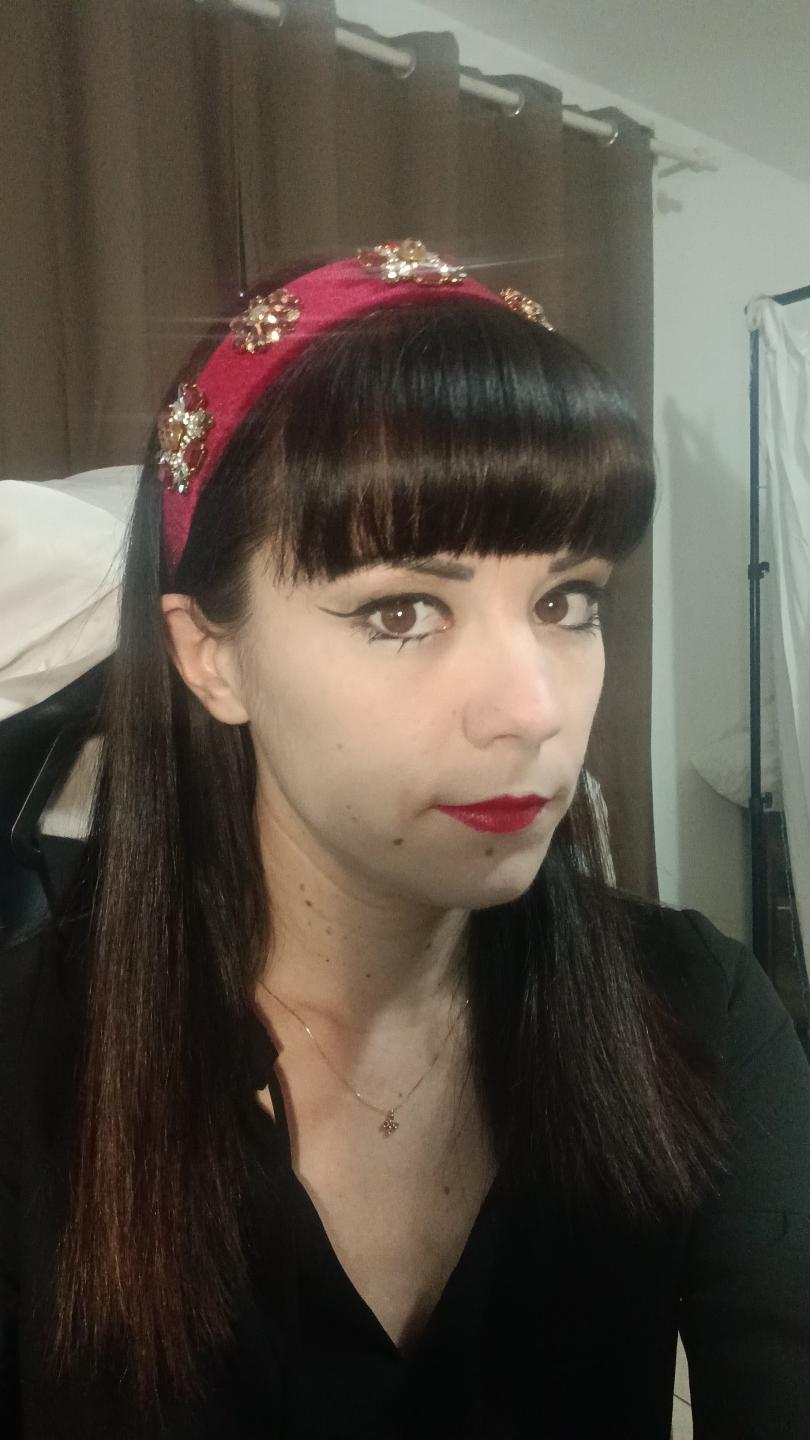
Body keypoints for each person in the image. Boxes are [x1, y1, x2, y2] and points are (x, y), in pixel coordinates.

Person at [1, 240, 809, 1439]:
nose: (532, 710)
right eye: (400, 610)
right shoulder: (30, 1066)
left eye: (567, 600)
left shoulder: (696, 1012)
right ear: (211, 657)